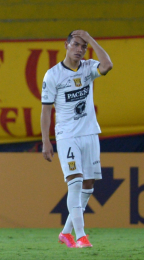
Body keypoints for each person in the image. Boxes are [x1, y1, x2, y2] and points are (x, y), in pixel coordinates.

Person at [41, 30, 113, 248]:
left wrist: (91, 39)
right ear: (66, 45)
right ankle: (81, 236)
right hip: (67, 135)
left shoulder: (89, 68)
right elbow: (45, 111)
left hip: (90, 133)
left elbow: (108, 65)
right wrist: (46, 141)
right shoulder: (53, 75)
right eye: (76, 45)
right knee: (76, 182)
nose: (80, 49)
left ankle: (66, 233)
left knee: (88, 186)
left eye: (84, 46)